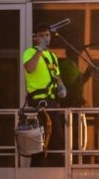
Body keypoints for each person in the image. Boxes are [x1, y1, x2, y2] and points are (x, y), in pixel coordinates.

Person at [22, 23, 66, 167]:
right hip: (38, 104)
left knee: (57, 139)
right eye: (41, 35)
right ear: (35, 38)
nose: (44, 38)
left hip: (52, 103)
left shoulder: (53, 56)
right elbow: (29, 68)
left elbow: (56, 74)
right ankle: (36, 171)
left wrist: (61, 86)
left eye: (47, 35)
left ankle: (57, 170)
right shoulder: (30, 52)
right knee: (38, 142)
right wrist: (39, 50)